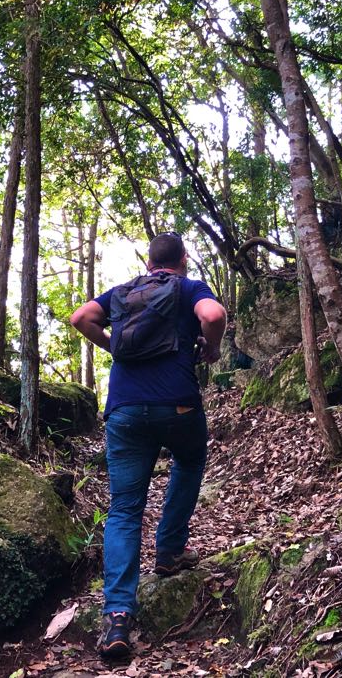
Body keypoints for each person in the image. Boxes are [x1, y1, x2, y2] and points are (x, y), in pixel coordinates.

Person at [69, 231, 227, 661]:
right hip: (176, 404)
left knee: (124, 508)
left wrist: (114, 348)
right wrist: (210, 351)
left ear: (149, 261)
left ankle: (117, 617)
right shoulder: (188, 287)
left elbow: (81, 317)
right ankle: (170, 550)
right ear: (183, 259)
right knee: (190, 460)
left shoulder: (123, 292)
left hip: (122, 410)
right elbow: (212, 315)